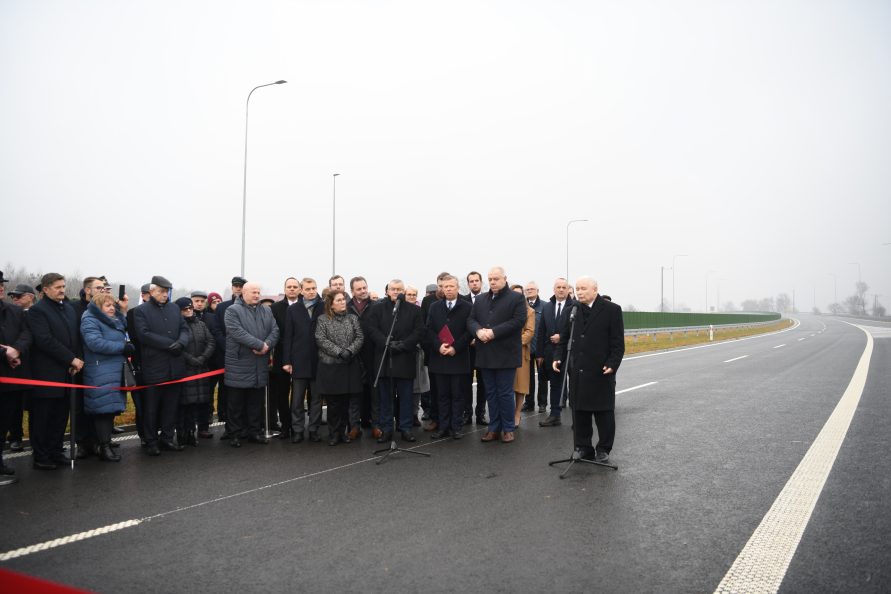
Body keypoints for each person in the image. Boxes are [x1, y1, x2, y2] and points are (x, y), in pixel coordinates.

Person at [553, 277, 624, 463]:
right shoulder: (572, 310)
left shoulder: (612, 310)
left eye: (583, 288)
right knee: (580, 412)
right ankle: (583, 447)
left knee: (603, 413)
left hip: (601, 370)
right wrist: (558, 357)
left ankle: (603, 449)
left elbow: (618, 344)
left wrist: (613, 363)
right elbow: (564, 338)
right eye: (577, 288)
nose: (579, 292)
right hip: (578, 370)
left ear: (595, 289)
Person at [27, 273, 84, 470]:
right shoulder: (37, 311)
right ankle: (41, 456)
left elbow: (74, 337)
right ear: (45, 289)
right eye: (57, 287)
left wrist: (75, 360)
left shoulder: (67, 308)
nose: (62, 290)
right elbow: (45, 340)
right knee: (44, 417)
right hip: (47, 373)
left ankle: (56, 450)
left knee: (61, 415)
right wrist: (71, 358)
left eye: (63, 286)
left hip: (67, 371)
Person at [467, 267, 527, 443]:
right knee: (491, 393)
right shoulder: (480, 299)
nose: (492, 282)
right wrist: (478, 332)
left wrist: (493, 332)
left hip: (506, 354)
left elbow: (518, 321)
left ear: (505, 279)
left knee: (505, 393)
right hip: (485, 353)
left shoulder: (516, 298)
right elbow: (470, 320)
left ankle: (508, 428)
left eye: (496, 278)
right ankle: (493, 428)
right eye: (490, 279)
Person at [132, 275, 190, 456]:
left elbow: (184, 329)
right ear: (151, 292)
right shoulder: (140, 311)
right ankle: (151, 441)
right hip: (154, 367)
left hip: (175, 365)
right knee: (151, 408)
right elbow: (143, 334)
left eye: (167, 292)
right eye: (162, 291)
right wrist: (168, 344)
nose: (165, 295)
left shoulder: (174, 309)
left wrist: (181, 343)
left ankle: (167, 438)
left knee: (171, 406)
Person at [365, 279, 424, 443]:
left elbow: (419, 330)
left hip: (405, 358)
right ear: (387, 291)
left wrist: (404, 345)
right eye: (393, 289)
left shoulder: (414, 310)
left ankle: (405, 428)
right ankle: (386, 429)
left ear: (403, 291)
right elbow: (371, 329)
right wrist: (386, 342)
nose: (396, 292)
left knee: (406, 397)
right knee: (385, 398)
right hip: (385, 357)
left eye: (399, 289)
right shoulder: (377, 309)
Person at [223, 282, 279, 447]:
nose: (257, 295)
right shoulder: (232, 311)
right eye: (253, 292)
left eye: (258, 292)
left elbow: (275, 330)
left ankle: (254, 432)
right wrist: (259, 345)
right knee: (235, 404)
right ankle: (234, 434)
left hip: (259, 364)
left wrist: (267, 345)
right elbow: (237, 332)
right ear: (244, 293)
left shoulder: (266, 310)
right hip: (239, 364)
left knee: (255, 403)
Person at [80, 291, 133, 462]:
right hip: (99, 371)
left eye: (113, 305)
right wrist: (122, 347)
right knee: (103, 411)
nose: (112, 308)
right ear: (98, 307)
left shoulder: (113, 319)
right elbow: (95, 343)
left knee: (110, 410)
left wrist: (122, 311)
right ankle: (104, 447)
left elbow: (123, 327)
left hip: (115, 370)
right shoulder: (89, 319)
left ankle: (103, 443)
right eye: (108, 305)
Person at [314, 290, 364, 445]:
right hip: (331, 366)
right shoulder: (322, 319)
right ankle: (334, 434)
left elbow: (360, 336)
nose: (343, 302)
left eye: (344, 299)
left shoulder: (352, 318)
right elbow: (320, 339)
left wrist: (349, 351)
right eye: (339, 300)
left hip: (349, 365)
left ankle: (343, 433)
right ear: (331, 304)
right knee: (333, 403)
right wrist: (339, 352)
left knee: (345, 403)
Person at [425, 274, 471, 439]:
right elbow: (429, 330)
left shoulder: (467, 307)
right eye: (446, 287)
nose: (449, 289)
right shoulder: (434, 307)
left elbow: (469, 332)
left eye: (452, 286)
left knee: (457, 395)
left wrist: (455, 348)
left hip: (458, 358)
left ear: (458, 287)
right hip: (440, 358)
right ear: (441, 289)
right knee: (442, 395)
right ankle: (443, 427)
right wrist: (439, 346)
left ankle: (456, 427)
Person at [282, 277, 324, 443]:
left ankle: (314, 429)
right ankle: (298, 430)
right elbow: (288, 337)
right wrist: (287, 361)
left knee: (316, 399)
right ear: (301, 290)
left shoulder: (323, 307)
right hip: (298, 361)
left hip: (319, 360)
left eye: (313, 288)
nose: (311, 291)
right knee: (297, 400)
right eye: (307, 289)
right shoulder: (293, 310)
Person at [0, 272, 32, 483]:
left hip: (10, 377)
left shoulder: (14, 311)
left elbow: (26, 333)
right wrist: (5, 353)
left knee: (3, 423)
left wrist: (16, 350)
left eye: (1, 284)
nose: (1, 288)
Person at [175, 297, 215, 447]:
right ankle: (181, 434)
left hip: (201, 369)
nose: (189, 311)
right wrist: (192, 359)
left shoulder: (201, 324)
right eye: (185, 309)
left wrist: (204, 357)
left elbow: (211, 342)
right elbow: (179, 347)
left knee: (196, 404)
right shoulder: (177, 326)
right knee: (184, 405)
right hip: (186, 370)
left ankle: (192, 433)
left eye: (190, 308)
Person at [537, 278, 574, 426]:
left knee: (576, 385)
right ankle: (554, 415)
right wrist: (539, 354)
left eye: (564, 287)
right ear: (554, 289)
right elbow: (541, 331)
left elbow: (580, 329)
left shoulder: (575, 306)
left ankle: (578, 418)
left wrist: (562, 336)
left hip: (571, 352)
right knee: (555, 385)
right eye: (558, 287)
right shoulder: (547, 307)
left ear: (568, 290)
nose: (561, 290)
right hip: (551, 353)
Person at [5, 282, 35, 454]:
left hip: (34, 366)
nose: (14, 299)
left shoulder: (37, 313)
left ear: (30, 297)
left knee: (33, 406)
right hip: (14, 365)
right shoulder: (10, 314)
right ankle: (15, 437)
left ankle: (34, 437)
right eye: (13, 296)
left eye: (18, 296)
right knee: (14, 406)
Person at [269, 277, 300, 438]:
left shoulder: (305, 306)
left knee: (298, 395)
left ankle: (297, 426)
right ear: (285, 289)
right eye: (289, 287)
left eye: (295, 286)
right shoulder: (275, 308)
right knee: (282, 394)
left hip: (301, 357)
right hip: (281, 357)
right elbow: (273, 331)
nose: (292, 289)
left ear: (300, 289)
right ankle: (286, 426)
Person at [346, 276, 376, 438]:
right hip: (353, 356)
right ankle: (354, 426)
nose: (363, 291)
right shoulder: (346, 308)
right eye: (359, 289)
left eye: (364, 287)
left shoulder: (376, 306)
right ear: (352, 291)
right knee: (354, 394)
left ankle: (375, 425)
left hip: (372, 354)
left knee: (374, 392)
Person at [460, 270, 488, 426]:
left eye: (477, 280)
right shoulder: (463, 301)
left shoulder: (487, 299)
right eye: (471, 281)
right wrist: (469, 339)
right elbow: (462, 323)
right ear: (468, 283)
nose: (474, 283)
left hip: (483, 347)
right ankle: (467, 413)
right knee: (466, 382)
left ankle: (481, 414)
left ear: (481, 282)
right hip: (466, 349)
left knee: (483, 383)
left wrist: (479, 338)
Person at [510, 284, 536, 427]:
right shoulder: (505, 310)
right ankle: (507, 413)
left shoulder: (529, 311)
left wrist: (514, 342)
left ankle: (517, 413)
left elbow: (529, 332)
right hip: (504, 352)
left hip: (520, 351)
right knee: (506, 385)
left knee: (520, 385)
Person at [522, 281, 546, 412]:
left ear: (538, 290)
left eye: (532, 289)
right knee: (528, 377)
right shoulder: (522, 307)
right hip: (527, 347)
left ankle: (542, 403)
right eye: (527, 289)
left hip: (540, 348)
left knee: (542, 376)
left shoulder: (545, 306)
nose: (530, 291)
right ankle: (529, 402)